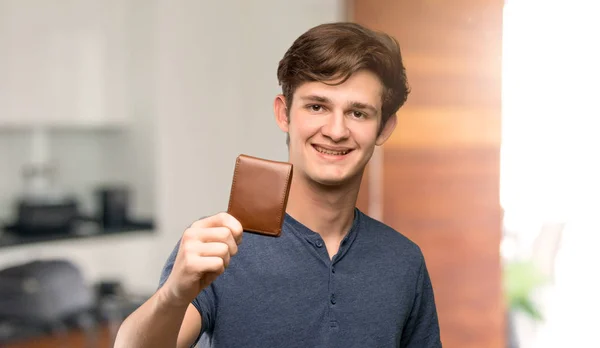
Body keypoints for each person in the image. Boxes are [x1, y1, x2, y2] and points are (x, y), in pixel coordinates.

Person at [114, 22, 441, 348]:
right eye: (317, 106)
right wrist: (174, 293)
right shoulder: (219, 244)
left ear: (384, 128)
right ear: (284, 114)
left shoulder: (404, 262)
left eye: (358, 113)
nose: (336, 130)